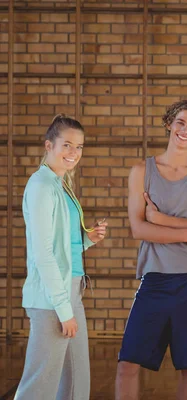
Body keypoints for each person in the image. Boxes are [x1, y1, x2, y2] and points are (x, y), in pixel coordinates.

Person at [115, 100, 187, 400]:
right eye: (181, 122)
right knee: (127, 363)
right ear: (169, 123)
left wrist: (159, 219)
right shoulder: (141, 171)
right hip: (155, 278)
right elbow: (139, 230)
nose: (184, 131)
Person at [15, 114, 108, 400]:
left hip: (70, 291)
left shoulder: (59, 185)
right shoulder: (42, 186)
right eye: (67, 145)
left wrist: (86, 240)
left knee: (76, 382)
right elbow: (43, 254)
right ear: (49, 145)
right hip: (51, 299)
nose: (74, 153)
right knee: (39, 383)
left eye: (79, 147)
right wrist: (62, 309)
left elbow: (60, 245)